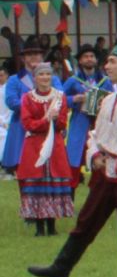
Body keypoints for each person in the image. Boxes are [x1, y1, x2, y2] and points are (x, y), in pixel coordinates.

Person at [28, 43, 117, 277]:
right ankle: (60, 269)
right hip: (104, 173)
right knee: (86, 222)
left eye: (112, 61)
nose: (106, 66)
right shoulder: (108, 98)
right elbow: (95, 134)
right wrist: (95, 155)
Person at [16, 64, 76, 235]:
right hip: (34, 146)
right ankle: (39, 227)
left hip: (54, 145)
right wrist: (46, 120)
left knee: (53, 184)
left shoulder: (59, 97)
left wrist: (53, 121)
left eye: (47, 74)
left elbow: (63, 122)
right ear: (35, 77)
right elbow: (27, 123)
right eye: (41, 74)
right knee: (36, 183)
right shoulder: (27, 98)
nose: (44, 77)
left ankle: (52, 225)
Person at [62, 45, 112, 176]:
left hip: (100, 123)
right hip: (80, 121)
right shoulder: (73, 81)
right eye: (86, 57)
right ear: (80, 61)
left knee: (101, 157)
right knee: (75, 155)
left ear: (96, 60)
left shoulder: (105, 81)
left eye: (92, 56)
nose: (89, 59)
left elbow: (113, 99)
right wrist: (73, 99)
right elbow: (59, 99)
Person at [2, 38, 46, 176]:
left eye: (37, 53)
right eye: (29, 54)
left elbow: (59, 98)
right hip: (22, 126)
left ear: (42, 57)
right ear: (23, 58)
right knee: (23, 170)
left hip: (45, 125)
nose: (33, 56)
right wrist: (37, 103)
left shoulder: (52, 78)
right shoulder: (14, 79)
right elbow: (11, 102)